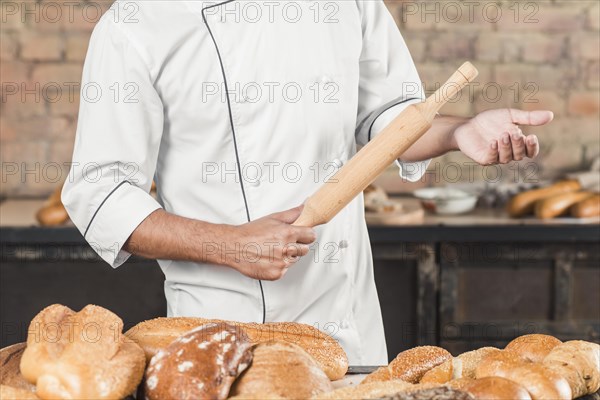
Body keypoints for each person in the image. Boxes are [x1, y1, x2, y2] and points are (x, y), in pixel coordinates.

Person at [63, 0, 553, 365]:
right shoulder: (136, 24)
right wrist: (228, 245)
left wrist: (459, 132)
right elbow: (100, 194)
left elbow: (388, 120)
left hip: (348, 319)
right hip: (222, 329)